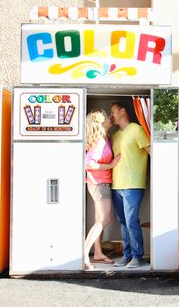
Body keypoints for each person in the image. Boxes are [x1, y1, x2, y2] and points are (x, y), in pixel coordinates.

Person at [110, 101, 150, 268]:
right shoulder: (114, 135)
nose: (111, 115)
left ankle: (137, 256)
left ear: (123, 111)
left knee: (131, 220)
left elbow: (151, 151)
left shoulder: (136, 129)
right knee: (123, 222)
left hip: (133, 184)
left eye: (113, 112)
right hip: (116, 185)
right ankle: (127, 255)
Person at [83, 109, 121, 271]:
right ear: (100, 123)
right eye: (106, 117)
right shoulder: (99, 141)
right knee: (104, 220)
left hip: (98, 183)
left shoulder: (104, 138)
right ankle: (84, 254)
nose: (109, 118)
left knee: (99, 219)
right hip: (100, 184)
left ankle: (97, 253)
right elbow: (89, 164)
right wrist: (111, 165)